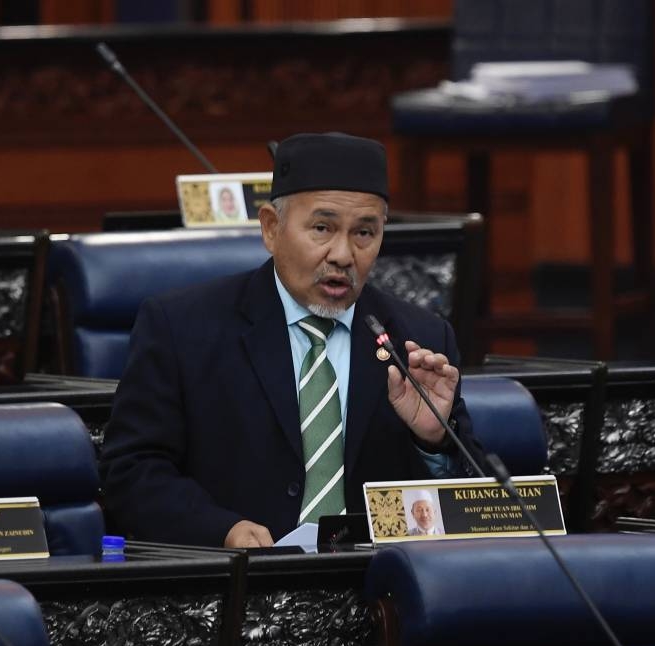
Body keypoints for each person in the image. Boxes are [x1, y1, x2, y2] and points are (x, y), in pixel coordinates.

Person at [101, 132, 483, 548]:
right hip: (240, 590)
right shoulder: (183, 328)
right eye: (322, 228)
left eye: (364, 234)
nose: (342, 254)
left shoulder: (419, 339)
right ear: (271, 228)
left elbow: (476, 501)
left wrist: (433, 442)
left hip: (382, 591)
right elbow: (131, 473)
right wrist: (221, 530)